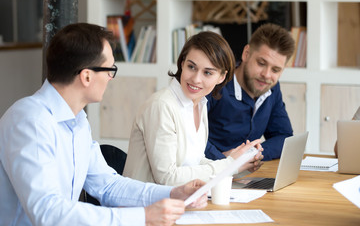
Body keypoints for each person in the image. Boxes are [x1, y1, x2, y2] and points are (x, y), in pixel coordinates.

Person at [0, 23, 208, 226]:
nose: (111, 78)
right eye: (110, 70)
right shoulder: (30, 122)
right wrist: (143, 217)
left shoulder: (78, 121)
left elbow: (108, 185)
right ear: (87, 76)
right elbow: (48, 212)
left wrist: (174, 193)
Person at [123, 31, 263, 187]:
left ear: (222, 77)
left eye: (208, 72)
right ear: (182, 63)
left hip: (181, 200)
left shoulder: (199, 104)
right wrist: (229, 165)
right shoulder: (161, 106)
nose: (196, 79)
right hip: (146, 205)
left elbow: (195, 162)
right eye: (191, 67)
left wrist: (240, 164)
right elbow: (167, 177)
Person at [205, 23, 295, 161]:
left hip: (245, 175)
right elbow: (190, 138)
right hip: (208, 174)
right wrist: (226, 161)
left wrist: (253, 154)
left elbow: (284, 137)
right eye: (261, 63)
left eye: (275, 70)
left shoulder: (272, 88)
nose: (266, 74)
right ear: (246, 54)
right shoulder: (215, 83)